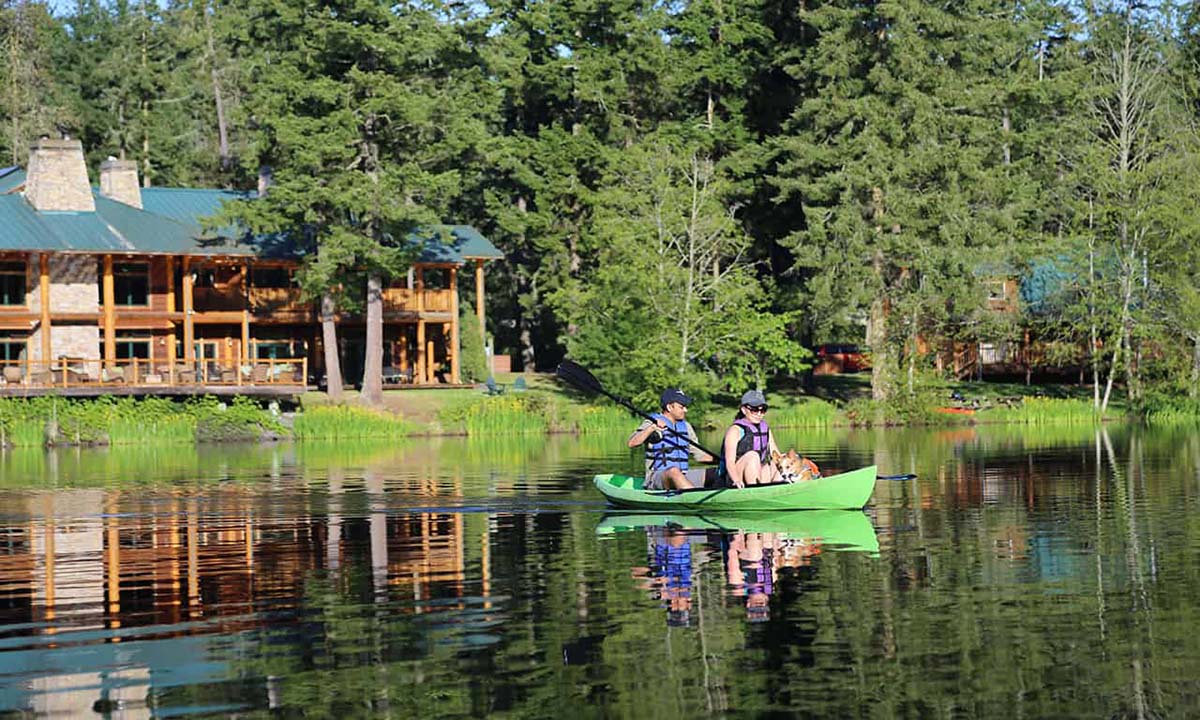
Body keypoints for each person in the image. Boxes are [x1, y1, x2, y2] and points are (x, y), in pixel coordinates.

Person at [628, 388, 714, 490]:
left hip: (683, 474)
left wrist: (724, 462)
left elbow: (700, 455)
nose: (685, 410)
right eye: (682, 407)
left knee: (715, 473)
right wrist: (651, 428)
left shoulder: (686, 426)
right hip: (656, 478)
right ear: (669, 407)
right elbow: (632, 443)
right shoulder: (652, 422)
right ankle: (693, 499)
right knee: (673, 471)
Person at [722, 389, 781, 488]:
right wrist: (736, 480)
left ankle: (779, 488)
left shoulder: (765, 429)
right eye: (754, 410)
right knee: (752, 456)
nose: (759, 414)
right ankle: (755, 491)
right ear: (744, 410)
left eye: (762, 410)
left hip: (759, 474)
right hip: (735, 477)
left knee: (779, 461)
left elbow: (776, 454)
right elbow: (730, 461)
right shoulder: (735, 431)